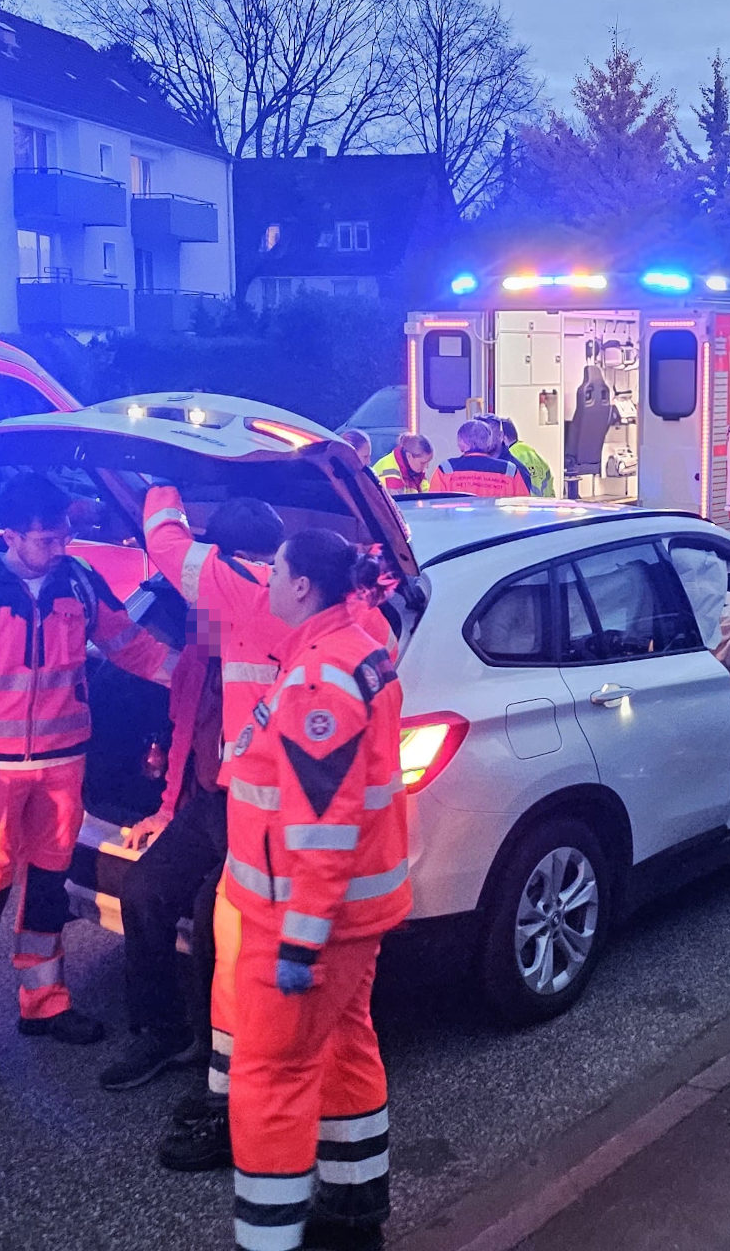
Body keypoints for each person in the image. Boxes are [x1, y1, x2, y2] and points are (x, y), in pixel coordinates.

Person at [0, 473, 175, 1090]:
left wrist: (196, 678)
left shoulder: (79, 582)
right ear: (8, 536)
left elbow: (130, 647)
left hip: (63, 764)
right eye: (46, 538)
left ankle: (46, 1003)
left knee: (50, 891)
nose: (59, 546)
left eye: (63, 534)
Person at [223, 530, 409, 1251]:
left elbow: (322, 827)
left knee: (271, 1077)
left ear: (303, 585)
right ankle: (356, 1212)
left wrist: (300, 939)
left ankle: (269, 1240)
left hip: (303, 918)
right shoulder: (355, 646)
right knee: (344, 1046)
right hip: (355, 911)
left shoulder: (316, 678)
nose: (265, 578)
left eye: (274, 568)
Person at [98, 493, 288, 1105]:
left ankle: (220, 1063)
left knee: (216, 922)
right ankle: (162, 1033)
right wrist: (165, 808)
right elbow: (187, 729)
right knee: (145, 891)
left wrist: (165, 485)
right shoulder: (208, 640)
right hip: (213, 802)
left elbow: (170, 545)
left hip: (264, 811)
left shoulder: (264, 602)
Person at [428, 418, 531, 496]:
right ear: (489, 442)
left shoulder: (445, 470)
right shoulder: (509, 470)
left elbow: (435, 508)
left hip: (458, 525)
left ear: (461, 443)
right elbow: (521, 510)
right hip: (498, 524)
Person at [496, 416, 555, 496]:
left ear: (503, 438)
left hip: (523, 506)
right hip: (544, 506)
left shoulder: (509, 459)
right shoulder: (535, 455)